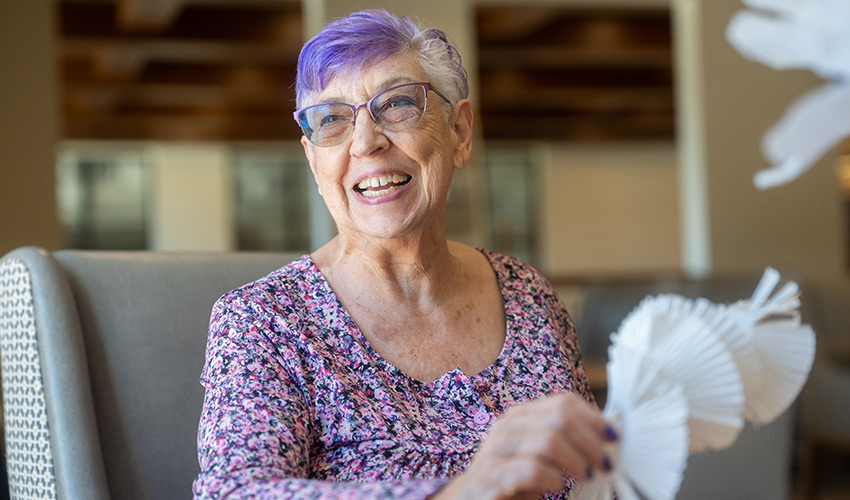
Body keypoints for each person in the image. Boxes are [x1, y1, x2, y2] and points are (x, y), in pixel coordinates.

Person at [193, 9, 618, 500]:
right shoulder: (263, 321)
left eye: (396, 104)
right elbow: (235, 493)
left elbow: (598, 478)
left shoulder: (528, 294)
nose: (366, 143)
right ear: (314, 161)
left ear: (459, 132)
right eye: (331, 119)